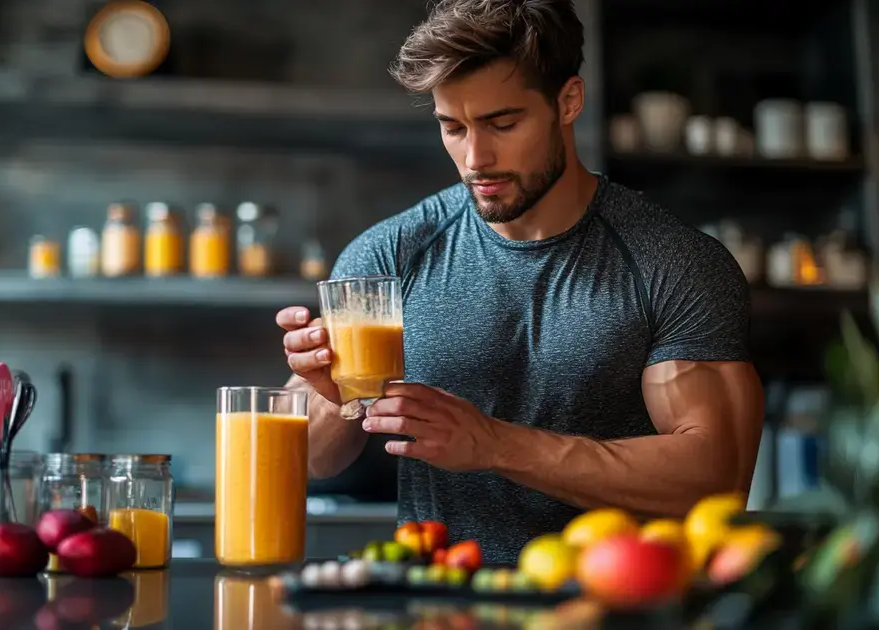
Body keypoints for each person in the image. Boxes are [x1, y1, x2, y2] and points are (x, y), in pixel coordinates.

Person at [277, 0, 765, 564]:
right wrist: (331, 394)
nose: (475, 158)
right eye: (453, 128)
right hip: (443, 605)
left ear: (569, 101)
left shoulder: (674, 263)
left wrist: (494, 444)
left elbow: (715, 478)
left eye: (503, 124)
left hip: (613, 609)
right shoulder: (390, 255)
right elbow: (313, 460)